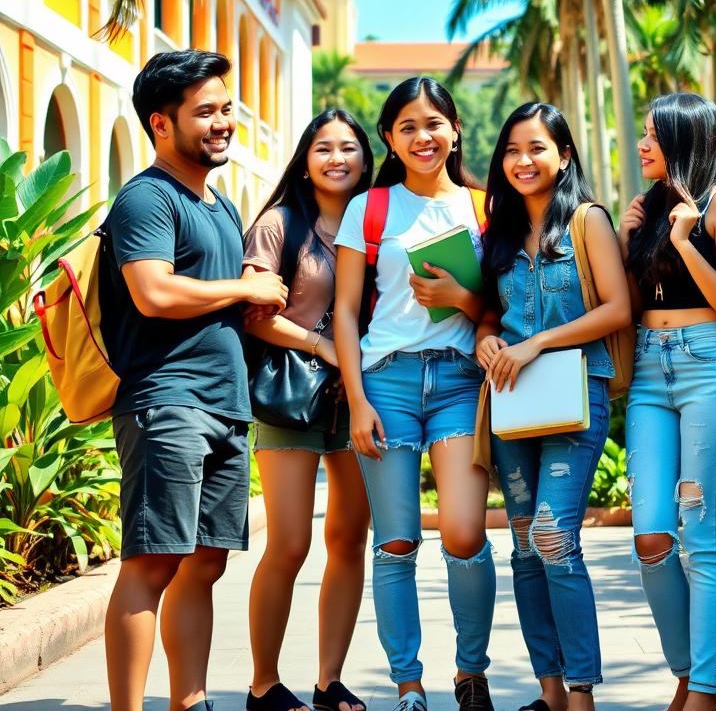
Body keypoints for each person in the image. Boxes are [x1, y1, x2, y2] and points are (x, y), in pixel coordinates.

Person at [103, 50, 288, 711]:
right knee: (152, 562)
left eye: (225, 108)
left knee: (204, 563)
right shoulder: (146, 198)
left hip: (224, 405)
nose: (222, 123)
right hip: (167, 400)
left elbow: (223, 297)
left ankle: (191, 700)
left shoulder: (220, 206)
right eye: (205, 112)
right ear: (161, 123)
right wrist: (243, 284)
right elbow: (153, 293)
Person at [334, 77, 495, 711]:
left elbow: (504, 306)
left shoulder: (484, 209)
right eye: (407, 127)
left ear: (454, 130)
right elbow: (346, 314)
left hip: (460, 380)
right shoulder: (370, 209)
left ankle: (471, 671)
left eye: (433, 124)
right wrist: (357, 400)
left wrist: (462, 299)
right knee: (395, 539)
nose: (422, 137)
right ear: (391, 141)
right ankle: (408, 684)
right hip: (386, 380)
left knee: (462, 532)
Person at [476, 103, 631, 711]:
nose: (523, 161)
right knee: (522, 542)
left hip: (577, 392)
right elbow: (492, 310)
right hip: (512, 401)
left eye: (536, 148)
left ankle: (582, 691)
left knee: (552, 533)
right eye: (512, 150)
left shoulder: (588, 221)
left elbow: (617, 308)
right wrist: (490, 335)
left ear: (564, 155)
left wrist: (538, 340)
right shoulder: (501, 233)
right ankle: (549, 691)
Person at [618, 93, 716, 711]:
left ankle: (703, 689)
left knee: (703, 537)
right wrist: (624, 241)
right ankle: (686, 670)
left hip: (707, 365)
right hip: (648, 369)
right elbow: (628, 301)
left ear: (684, 140)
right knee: (650, 536)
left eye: (653, 135)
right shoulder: (642, 209)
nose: (642, 144)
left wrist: (687, 239)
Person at [243, 109, 375, 711]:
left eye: (349, 148)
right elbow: (255, 314)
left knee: (349, 539)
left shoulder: (379, 220)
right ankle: (264, 684)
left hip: (361, 399)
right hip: (291, 395)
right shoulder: (279, 224)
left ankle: (329, 681)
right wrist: (323, 344)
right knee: (290, 543)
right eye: (324, 148)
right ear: (305, 158)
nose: (337, 158)